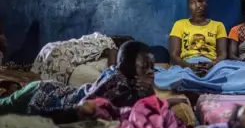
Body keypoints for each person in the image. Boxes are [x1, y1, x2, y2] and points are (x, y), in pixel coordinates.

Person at [0, 41, 156, 120]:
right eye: (145, 66)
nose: (150, 71)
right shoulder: (114, 81)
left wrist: (146, 92)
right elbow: (85, 108)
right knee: (4, 107)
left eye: (152, 67)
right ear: (127, 64)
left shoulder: (129, 84)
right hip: (40, 93)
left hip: (50, 90)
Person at [169, 0, 228, 76]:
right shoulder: (179, 25)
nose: (197, 5)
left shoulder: (218, 26)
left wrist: (211, 64)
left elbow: (223, 54)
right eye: (193, 2)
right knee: (169, 77)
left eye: (200, 1)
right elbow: (174, 55)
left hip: (212, 65)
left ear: (206, 3)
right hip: (186, 65)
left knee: (227, 74)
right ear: (189, 5)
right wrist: (190, 66)